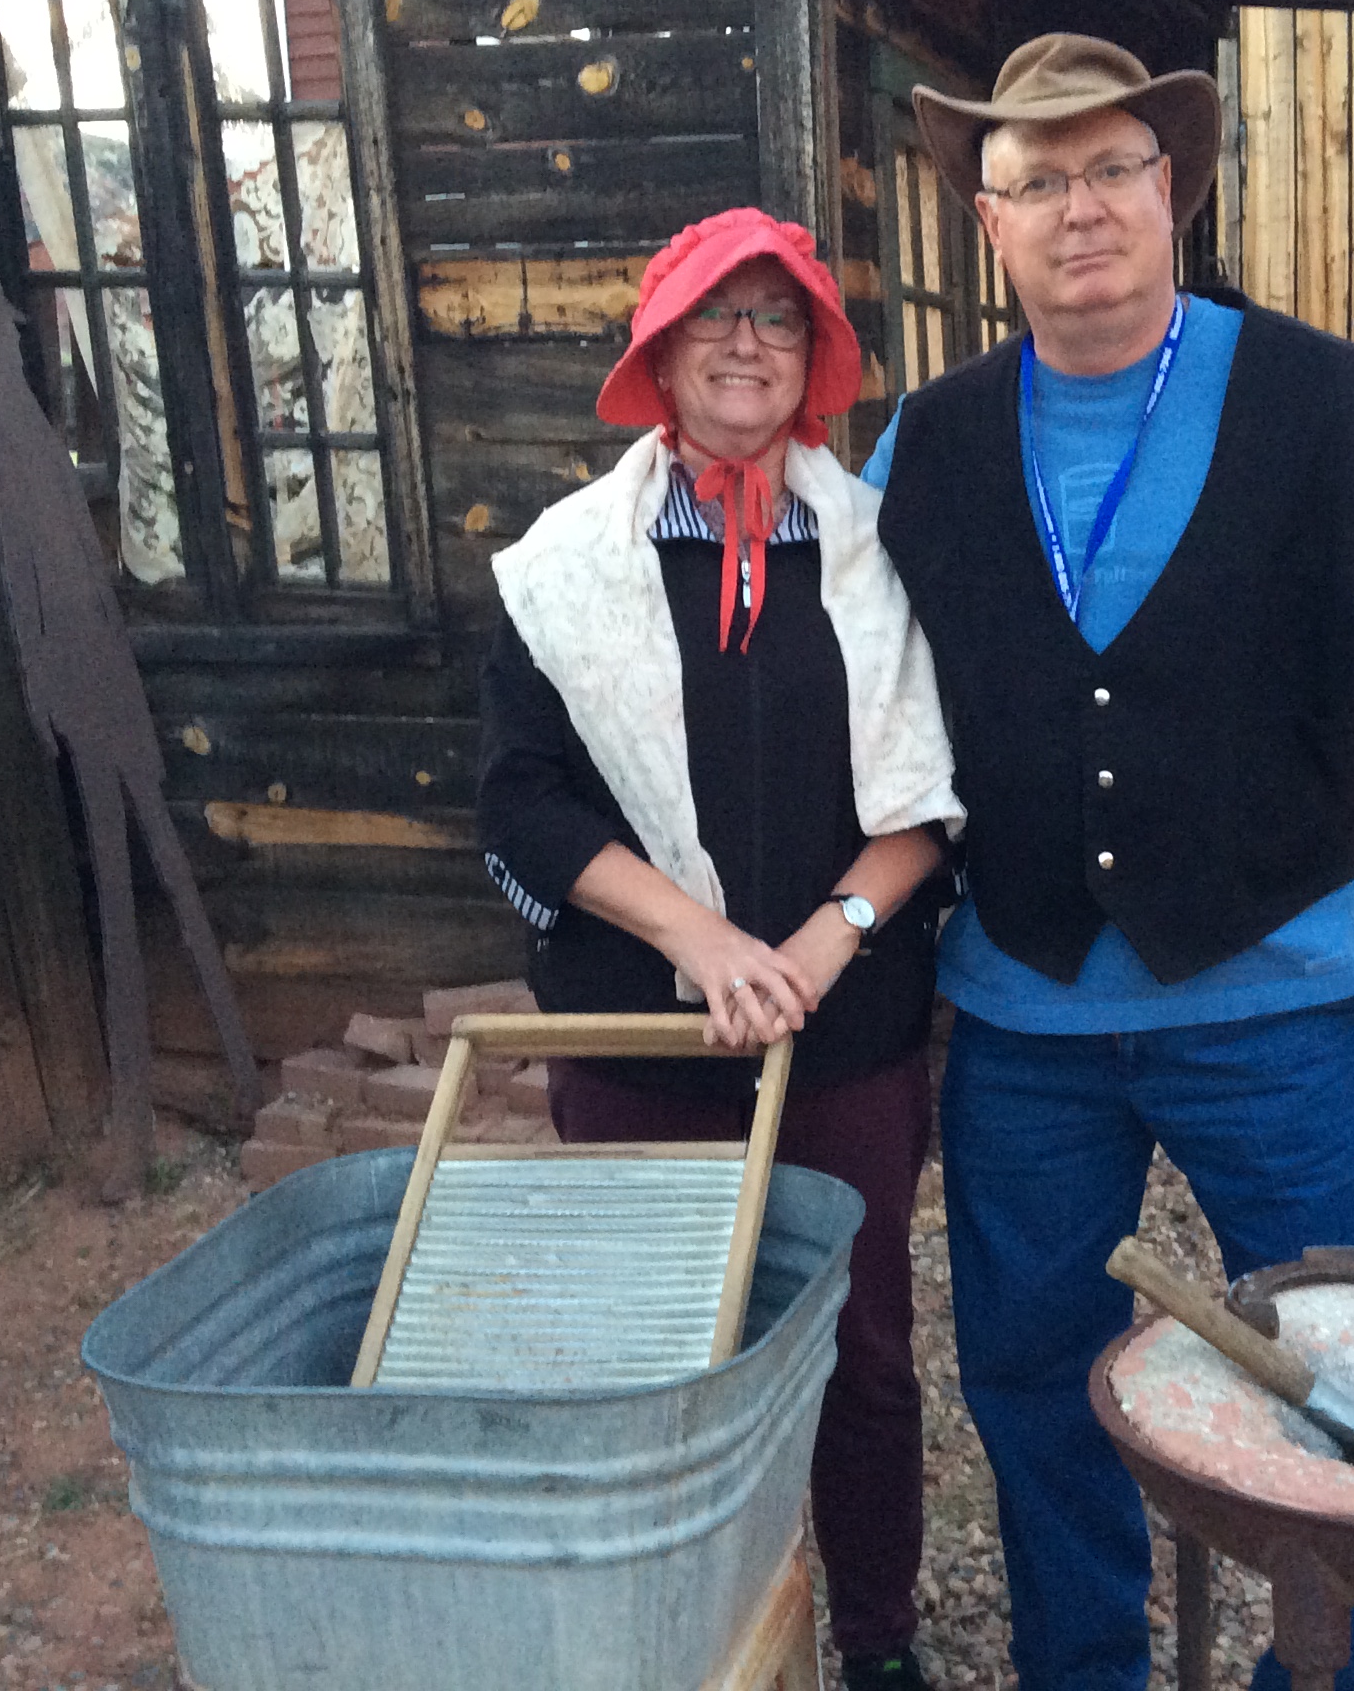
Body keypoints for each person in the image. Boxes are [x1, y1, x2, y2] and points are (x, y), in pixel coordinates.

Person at [860, 35, 1354, 1691]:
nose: (1078, 207)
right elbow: (840, 686)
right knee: (1031, 1376)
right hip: (1024, 1018)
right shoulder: (923, 444)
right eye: (1036, 181)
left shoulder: (1324, 407)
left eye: (1111, 168)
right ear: (989, 223)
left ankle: (1322, 1672)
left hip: (1273, 1007)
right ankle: (1082, 1666)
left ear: (1174, 191)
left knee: (1344, 1364)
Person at [476, 207, 963, 1691]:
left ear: (815, 357)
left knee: (861, 1358)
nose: (747, 342)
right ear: (660, 347)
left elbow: (932, 796)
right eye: (715, 315)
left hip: (843, 1040)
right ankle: (694, 1640)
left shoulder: (876, 554)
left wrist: (820, 947)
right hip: (640, 1040)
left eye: (779, 317)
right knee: (662, 1360)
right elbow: (523, 800)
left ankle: (874, 1640)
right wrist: (697, 936)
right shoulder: (563, 568)